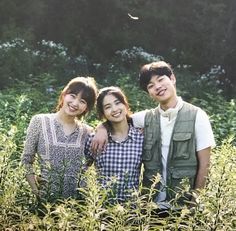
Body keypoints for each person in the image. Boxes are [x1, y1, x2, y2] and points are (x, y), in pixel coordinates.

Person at [91, 61, 215, 209]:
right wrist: (102, 128)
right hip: (150, 206)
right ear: (149, 93)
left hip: (183, 206)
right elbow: (119, 117)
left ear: (172, 79)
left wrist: (195, 202)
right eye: (151, 85)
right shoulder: (145, 118)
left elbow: (205, 164)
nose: (157, 87)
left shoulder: (197, 115)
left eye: (161, 79)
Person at [21, 77, 98, 201]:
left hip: (77, 206)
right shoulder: (39, 121)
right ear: (64, 94)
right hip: (45, 204)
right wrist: (36, 191)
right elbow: (26, 161)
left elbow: (91, 165)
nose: (75, 103)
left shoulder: (88, 131)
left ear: (86, 108)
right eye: (72, 96)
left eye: (82, 101)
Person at [84, 86, 143, 203]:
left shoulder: (141, 138)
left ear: (125, 105)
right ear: (103, 113)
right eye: (108, 107)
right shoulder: (94, 139)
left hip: (131, 212)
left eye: (117, 103)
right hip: (102, 212)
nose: (114, 109)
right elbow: (81, 170)